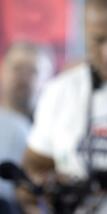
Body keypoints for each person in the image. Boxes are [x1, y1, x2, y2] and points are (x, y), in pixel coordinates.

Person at [18, 0, 107, 213]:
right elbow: (33, 169)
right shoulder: (58, 90)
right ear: (83, 30)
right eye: (99, 40)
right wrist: (43, 190)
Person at [0, 42, 46, 214]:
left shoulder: (55, 136)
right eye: (17, 68)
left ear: (47, 79)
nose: (23, 77)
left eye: (32, 71)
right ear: (3, 71)